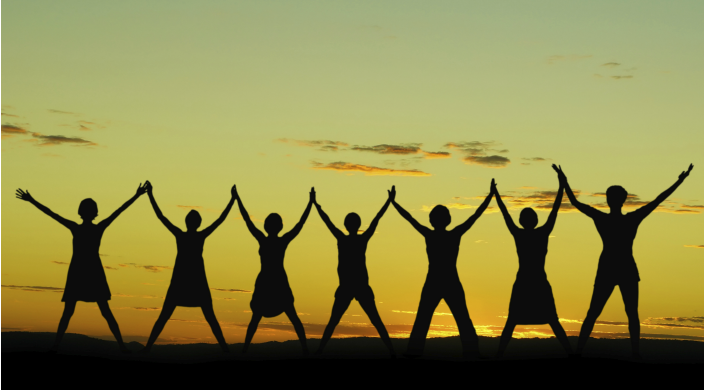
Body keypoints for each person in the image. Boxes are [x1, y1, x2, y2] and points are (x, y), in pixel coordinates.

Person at [556, 164, 694, 359]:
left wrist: (564, 182)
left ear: (609, 200)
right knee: (626, 314)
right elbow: (658, 200)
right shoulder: (630, 219)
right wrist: (680, 180)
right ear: (622, 200)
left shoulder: (604, 218)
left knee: (598, 312)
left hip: (613, 269)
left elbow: (575, 202)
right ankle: (630, 353)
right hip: (622, 268)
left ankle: (581, 352)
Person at [15, 183, 148, 353]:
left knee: (76, 312)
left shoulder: (78, 228)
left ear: (82, 212)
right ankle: (119, 346)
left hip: (83, 273)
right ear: (93, 212)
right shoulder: (92, 228)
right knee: (95, 311)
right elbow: (118, 211)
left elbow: (52, 214)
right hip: (88, 273)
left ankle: (59, 345)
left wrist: (31, 200)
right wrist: (136, 195)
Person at [391, 181, 494, 359]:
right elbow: (475, 215)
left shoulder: (431, 234)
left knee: (426, 318)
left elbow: (409, 218)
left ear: (432, 220)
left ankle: (416, 351)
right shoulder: (452, 234)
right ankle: (471, 351)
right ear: (447, 220)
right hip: (448, 281)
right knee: (460, 317)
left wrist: (394, 202)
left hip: (436, 281)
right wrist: (490, 196)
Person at [141, 182, 235, 353]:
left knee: (166, 317)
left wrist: (151, 195)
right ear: (198, 223)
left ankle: (147, 348)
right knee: (209, 318)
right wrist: (232, 200)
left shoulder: (182, 235)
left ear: (188, 222)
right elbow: (220, 219)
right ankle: (225, 350)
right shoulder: (197, 235)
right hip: (190, 282)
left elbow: (161, 216)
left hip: (185, 282)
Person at [493, 168, 572, 358]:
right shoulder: (540, 233)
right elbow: (554, 210)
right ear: (534, 220)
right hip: (535, 281)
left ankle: (500, 354)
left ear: (522, 221)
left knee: (515, 321)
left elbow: (506, 214)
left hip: (528, 282)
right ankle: (570, 353)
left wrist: (496, 194)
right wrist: (561, 186)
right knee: (549, 320)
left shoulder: (521, 234)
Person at [313, 186, 397, 357]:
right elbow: (376, 220)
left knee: (336, 322)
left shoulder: (345, 238)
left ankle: (320, 350)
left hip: (355, 286)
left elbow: (327, 221)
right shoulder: (356, 239)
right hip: (351, 286)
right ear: (357, 225)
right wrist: (388, 201)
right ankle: (392, 351)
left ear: (347, 225)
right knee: (373, 321)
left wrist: (316, 204)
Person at [236, 186, 314, 354]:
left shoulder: (268, 240)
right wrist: (310, 203)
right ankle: (305, 348)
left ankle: (245, 349)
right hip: (271, 282)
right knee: (287, 317)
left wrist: (310, 203)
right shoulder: (277, 240)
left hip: (272, 282)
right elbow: (300, 224)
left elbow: (247, 220)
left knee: (260, 318)